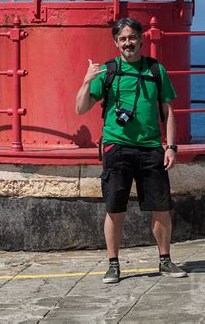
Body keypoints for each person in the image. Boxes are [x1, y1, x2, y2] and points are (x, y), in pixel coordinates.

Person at [75, 17, 187, 284]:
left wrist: (170, 147)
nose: (128, 42)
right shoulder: (109, 71)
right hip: (117, 147)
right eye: (123, 39)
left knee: (161, 208)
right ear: (116, 43)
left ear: (141, 39)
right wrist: (86, 80)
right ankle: (113, 265)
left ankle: (165, 260)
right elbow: (80, 108)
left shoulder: (156, 70)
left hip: (151, 148)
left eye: (132, 37)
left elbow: (168, 110)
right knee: (115, 209)